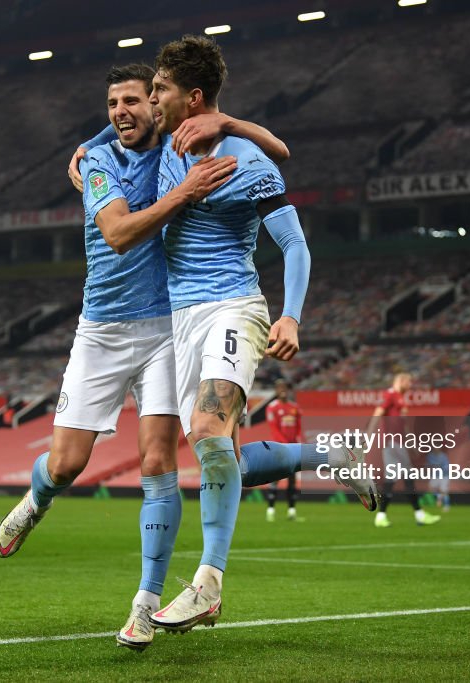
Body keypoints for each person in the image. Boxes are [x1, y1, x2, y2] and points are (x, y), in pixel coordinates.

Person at [69, 40, 378, 634]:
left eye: (158, 89)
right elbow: (124, 126)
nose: (148, 98)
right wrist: (85, 147)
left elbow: (294, 242)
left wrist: (290, 316)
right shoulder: (165, 146)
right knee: (223, 454)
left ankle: (207, 584)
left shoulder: (245, 161)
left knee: (209, 432)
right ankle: (333, 455)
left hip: (235, 307)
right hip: (180, 321)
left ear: (192, 98)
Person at [0, 63, 306, 651]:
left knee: (160, 462)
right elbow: (116, 233)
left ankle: (145, 603)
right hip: (102, 329)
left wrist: (225, 118)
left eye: (135, 100)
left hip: (168, 324)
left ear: (157, 108)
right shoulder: (97, 162)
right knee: (65, 465)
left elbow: (275, 150)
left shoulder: (175, 141)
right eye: (112, 102)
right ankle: (37, 498)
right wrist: (184, 191)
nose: (122, 111)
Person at [367, 372, 440, 528]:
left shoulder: (400, 399)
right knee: (408, 477)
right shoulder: (390, 395)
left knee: (391, 480)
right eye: (409, 382)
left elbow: (403, 426)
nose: (410, 386)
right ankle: (419, 514)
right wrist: (369, 435)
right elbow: (378, 412)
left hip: (395, 443)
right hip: (393, 443)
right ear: (401, 381)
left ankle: (381, 516)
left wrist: (411, 444)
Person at [264, 379, 303, 522]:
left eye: (285, 387)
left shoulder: (295, 407)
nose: (283, 390)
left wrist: (297, 441)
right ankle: (270, 510)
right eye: (279, 387)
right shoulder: (272, 407)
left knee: (292, 480)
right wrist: (285, 443)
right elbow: (273, 428)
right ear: (276, 390)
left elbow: (298, 427)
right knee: (275, 477)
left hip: (293, 447)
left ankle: (292, 511)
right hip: (278, 447)